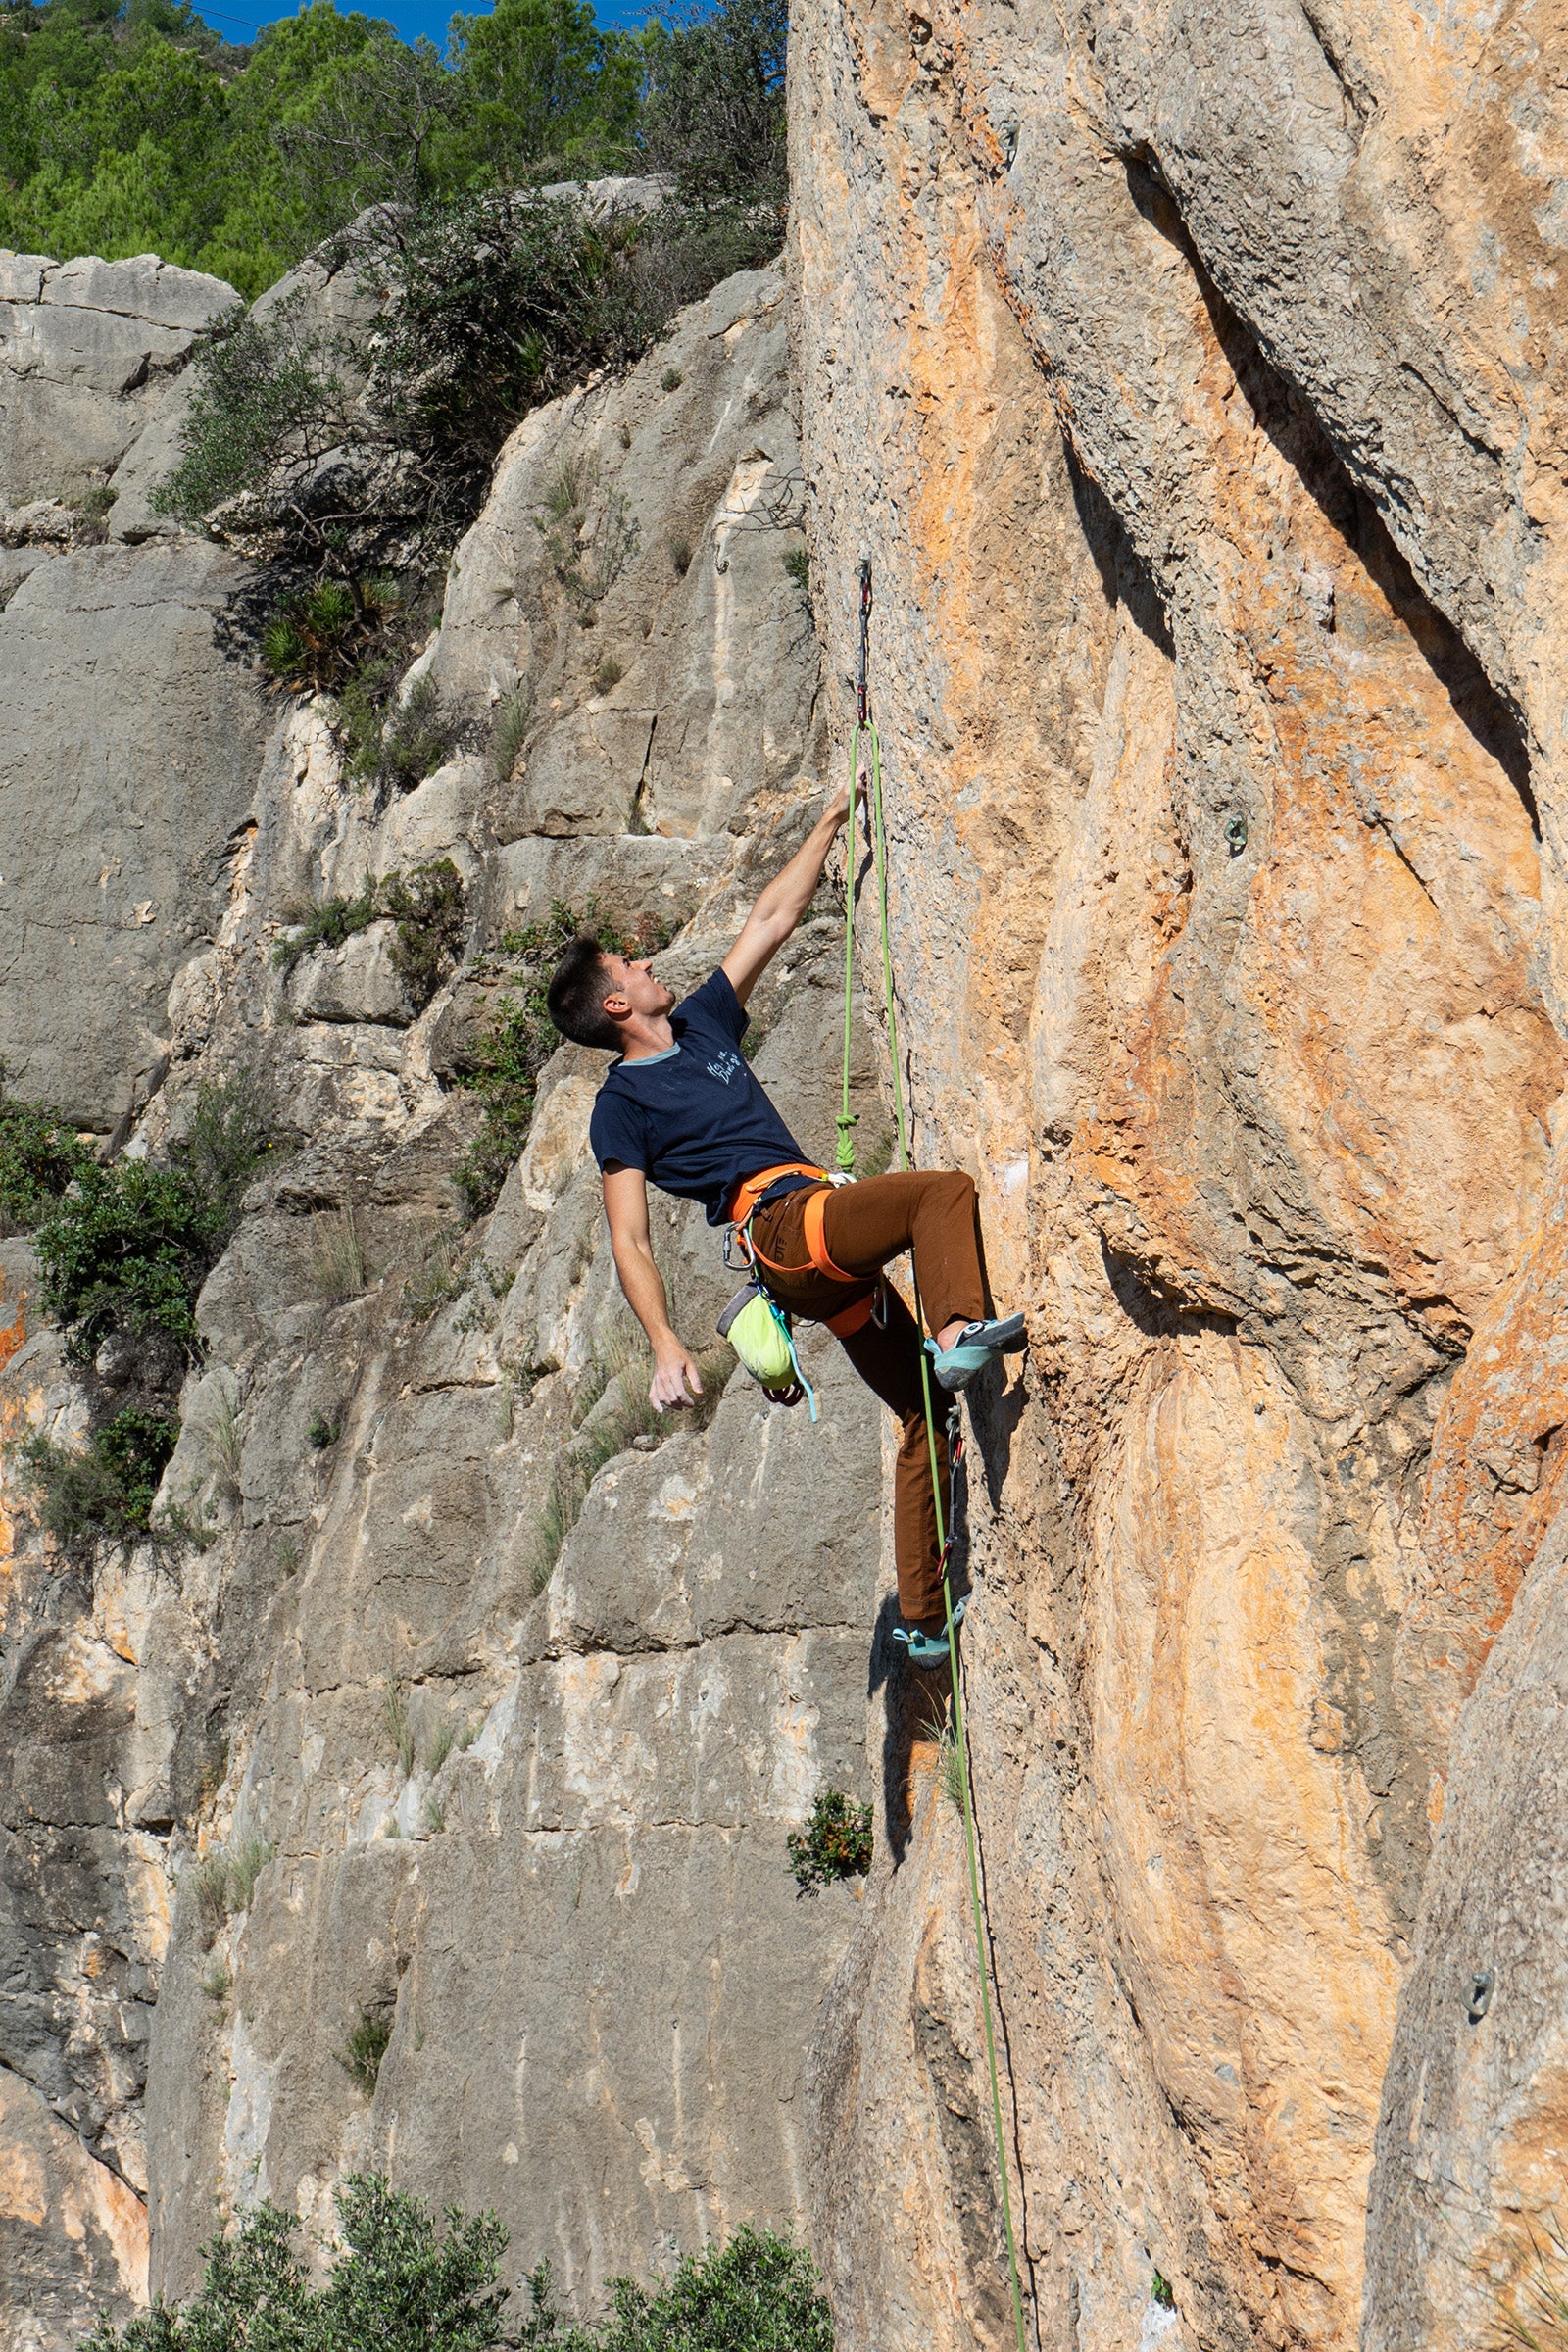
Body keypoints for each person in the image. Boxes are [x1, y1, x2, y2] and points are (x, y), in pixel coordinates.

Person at [544, 779, 1025, 1667]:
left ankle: (921, 1618)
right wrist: (662, 1342)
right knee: (937, 1194)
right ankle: (960, 1329)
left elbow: (770, 919)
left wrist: (833, 820)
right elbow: (629, 1239)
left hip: (811, 1261)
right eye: (631, 968)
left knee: (925, 1412)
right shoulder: (620, 1108)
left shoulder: (702, 1025)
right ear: (615, 1006)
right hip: (782, 1227)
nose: (647, 964)